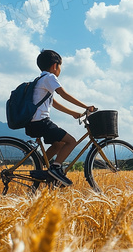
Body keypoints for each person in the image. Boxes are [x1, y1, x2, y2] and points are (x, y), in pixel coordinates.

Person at [25, 50, 96, 186]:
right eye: (60, 66)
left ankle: (38, 167)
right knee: (71, 141)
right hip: (41, 122)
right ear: (55, 66)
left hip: (34, 123)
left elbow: (54, 103)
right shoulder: (50, 78)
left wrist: (73, 113)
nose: (60, 70)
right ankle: (56, 168)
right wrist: (85, 106)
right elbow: (64, 94)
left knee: (59, 144)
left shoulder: (40, 80)